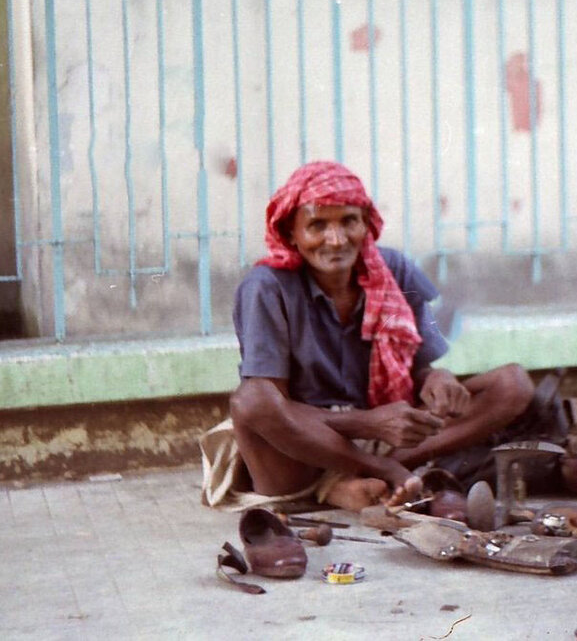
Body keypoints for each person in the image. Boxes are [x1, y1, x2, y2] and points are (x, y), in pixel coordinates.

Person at [222, 160, 535, 511]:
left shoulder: (394, 269)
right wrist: (369, 426)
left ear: (366, 224)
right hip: (302, 449)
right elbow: (271, 405)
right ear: (291, 234)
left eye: (349, 222)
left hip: (390, 432)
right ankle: (377, 474)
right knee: (251, 400)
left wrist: (436, 378)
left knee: (513, 384)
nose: (336, 239)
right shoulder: (266, 287)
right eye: (317, 225)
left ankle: (349, 484)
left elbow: (417, 367)